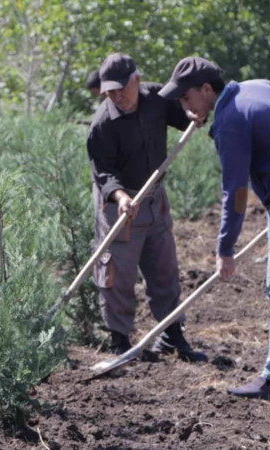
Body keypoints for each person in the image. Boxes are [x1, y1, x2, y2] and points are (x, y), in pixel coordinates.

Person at [159, 56, 270, 400]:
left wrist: (225, 248)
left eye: (186, 98)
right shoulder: (259, 86)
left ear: (207, 89)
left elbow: (236, 192)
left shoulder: (230, 123)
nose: (184, 106)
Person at [86, 53, 206, 362]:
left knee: (164, 266)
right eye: (109, 92)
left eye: (120, 89)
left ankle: (171, 335)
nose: (116, 97)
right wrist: (121, 196)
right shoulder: (102, 124)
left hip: (155, 198)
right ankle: (120, 340)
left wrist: (194, 116)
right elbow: (104, 173)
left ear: (136, 80)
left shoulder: (155, 98)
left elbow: (183, 117)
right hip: (119, 206)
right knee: (117, 273)